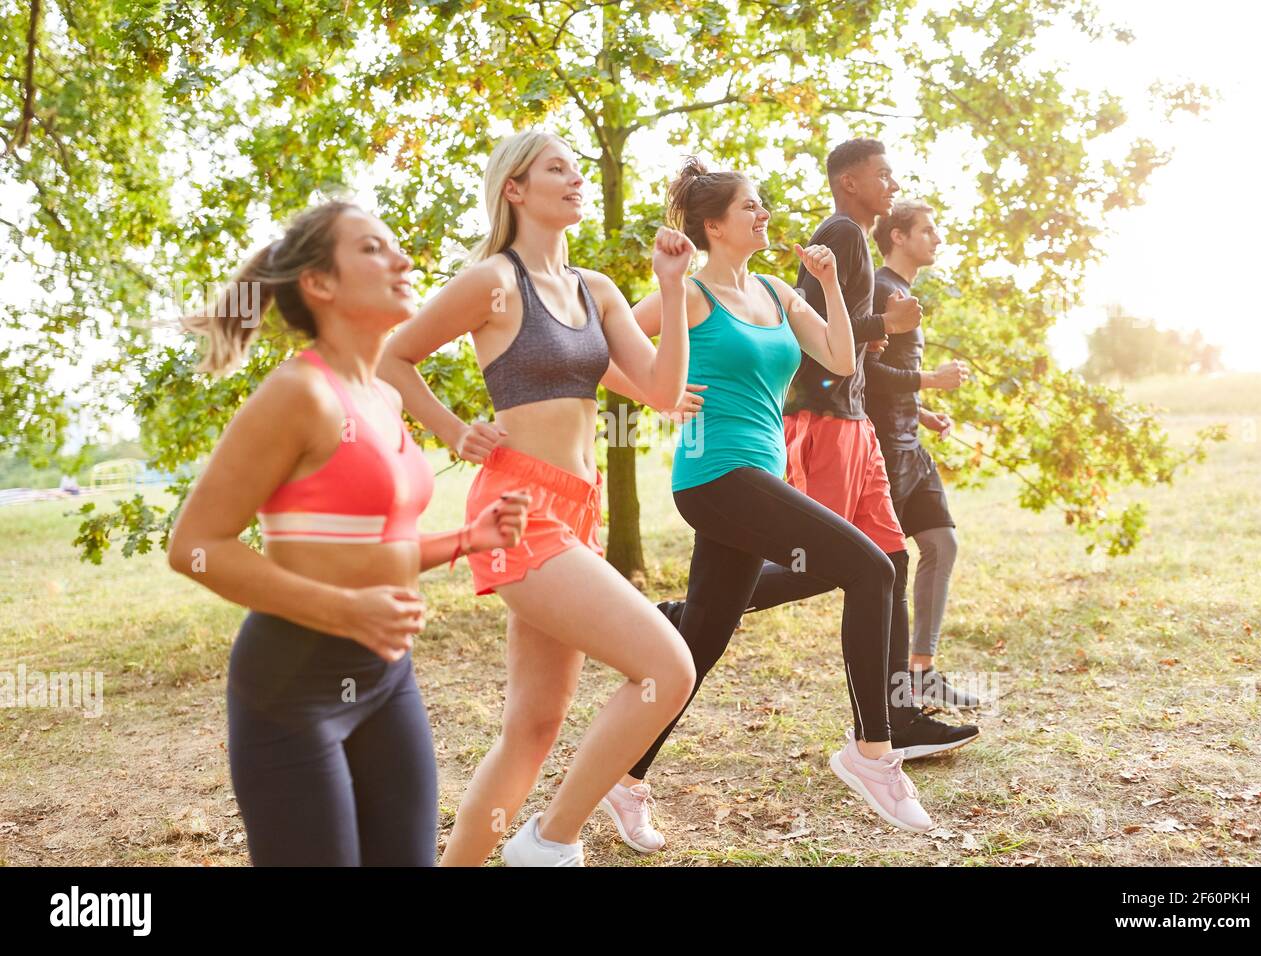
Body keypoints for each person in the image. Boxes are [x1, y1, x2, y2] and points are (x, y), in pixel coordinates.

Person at [168, 200, 529, 866]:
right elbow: (193, 547)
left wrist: (465, 539)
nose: (404, 260)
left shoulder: (383, 398)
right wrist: (346, 611)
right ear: (321, 283)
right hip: (293, 688)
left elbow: (367, 552)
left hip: (386, 679)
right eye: (373, 248)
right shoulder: (299, 394)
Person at [378, 129, 699, 867]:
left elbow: (658, 390)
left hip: (578, 508)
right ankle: (548, 841)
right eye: (558, 168)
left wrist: (674, 291)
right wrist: (455, 431)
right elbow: (393, 355)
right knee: (668, 668)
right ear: (515, 189)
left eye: (579, 169)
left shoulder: (598, 289)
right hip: (519, 511)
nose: (577, 178)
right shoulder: (492, 280)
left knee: (533, 726)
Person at [603, 154, 939, 849]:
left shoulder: (777, 294)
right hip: (714, 475)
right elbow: (601, 345)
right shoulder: (692, 293)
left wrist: (827, 288)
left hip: (760, 475)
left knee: (702, 637)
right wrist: (655, 394)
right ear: (715, 225)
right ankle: (871, 752)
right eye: (750, 207)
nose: (764, 214)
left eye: (762, 204)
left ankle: (623, 776)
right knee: (873, 567)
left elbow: (843, 361)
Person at [870, 199, 977, 707]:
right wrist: (932, 380)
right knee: (871, 565)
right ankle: (726, 600)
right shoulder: (880, 290)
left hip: (912, 446)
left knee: (941, 543)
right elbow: (863, 374)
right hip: (884, 454)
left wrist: (924, 410)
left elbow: (895, 382)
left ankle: (922, 671)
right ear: (897, 236)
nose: (937, 239)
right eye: (927, 231)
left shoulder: (905, 292)